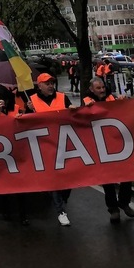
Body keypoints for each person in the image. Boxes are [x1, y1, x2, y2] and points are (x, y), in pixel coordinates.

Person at [25, 72, 77, 226]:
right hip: (44, 147)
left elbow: (72, 115)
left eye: (52, 83)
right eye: (47, 83)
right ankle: (60, 211)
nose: (51, 86)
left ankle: (62, 199)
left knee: (69, 179)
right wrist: (28, 111)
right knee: (53, 179)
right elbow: (26, 124)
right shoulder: (32, 101)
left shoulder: (62, 97)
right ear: (39, 86)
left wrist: (73, 110)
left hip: (63, 144)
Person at [83, 78, 134, 223]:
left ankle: (124, 202)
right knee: (107, 179)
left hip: (117, 143)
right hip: (101, 146)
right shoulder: (86, 101)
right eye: (98, 88)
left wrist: (124, 101)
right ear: (92, 89)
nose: (102, 90)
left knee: (127, 175)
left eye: (102, 87)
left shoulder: (112, 97)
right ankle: (113, 208)